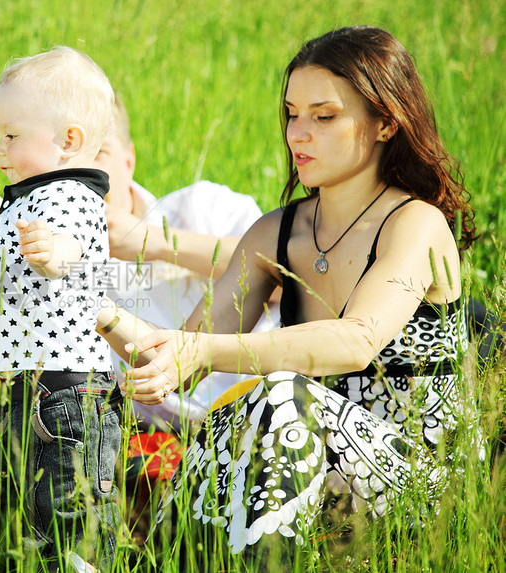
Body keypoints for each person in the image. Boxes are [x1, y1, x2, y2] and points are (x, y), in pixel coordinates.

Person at [94, 26, 478, 563]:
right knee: (239, 413)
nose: (299, 134)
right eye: (292, 114)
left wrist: (201, 352)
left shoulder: (415, 223)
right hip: (308, 464)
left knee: (274, 395)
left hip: (420, 476)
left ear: (386, 122)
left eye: (324, 117)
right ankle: (162, 560)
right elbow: (184, 351)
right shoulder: (277, 233)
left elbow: (357, 341)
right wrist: (91, 303)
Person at [0, 94, 279, 434]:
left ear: (129, 160)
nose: (78, 174)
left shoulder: (202, 207)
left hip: (271, 402)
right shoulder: (57, 270)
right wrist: (20, 239)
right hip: (185, 435)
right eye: (61, 163)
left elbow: (288, 280)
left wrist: (150, 240)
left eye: (97, 153)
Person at [0, 46, 121, 568]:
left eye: (10, 135)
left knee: (68, 516)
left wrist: (57, 251)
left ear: (68, 140)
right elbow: (33, 222)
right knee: (19, 514)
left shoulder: (72, 194)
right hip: (25, 386)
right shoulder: (37, 193)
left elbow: (74, 241)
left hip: (63, 392)